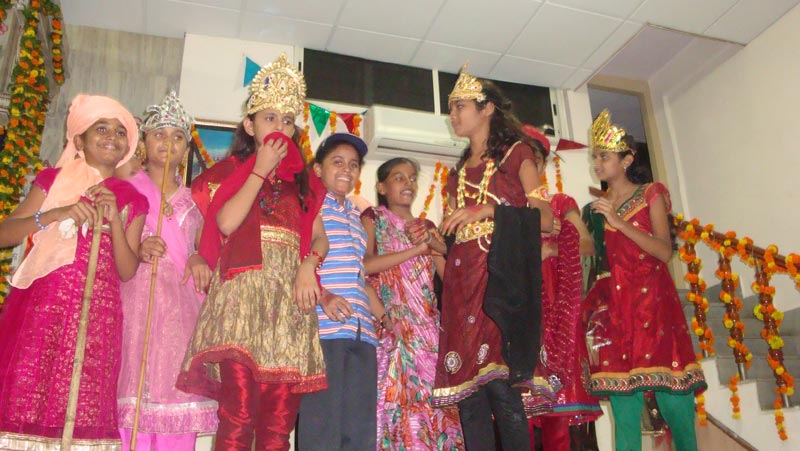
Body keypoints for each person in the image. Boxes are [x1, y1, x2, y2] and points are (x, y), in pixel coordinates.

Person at [177, 54, 329, 451]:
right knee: (239, 415)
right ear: (250, 125)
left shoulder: (304, 183)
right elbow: (226, 224)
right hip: (241, 300)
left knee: (279, 425)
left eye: (287, 121)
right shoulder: (229, 173)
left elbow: (319, 238)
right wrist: (259, 169)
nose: (279, 128)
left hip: (288, 303)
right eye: (269, 118)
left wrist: (309, 265)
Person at [0, 94, 148, 449]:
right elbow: (5, 234)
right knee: (29, 397)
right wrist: (53, 215)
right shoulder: (53, 181)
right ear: (79, 140)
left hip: (99, 318)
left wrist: (114, 220)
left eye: (120, 132)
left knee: (84, 405)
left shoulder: (131, 198)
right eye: (101, 128)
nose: (112, 137)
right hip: (42, 311)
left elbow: (127, 270)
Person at [432, 65, 554, 451]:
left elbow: (546, 219)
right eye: (451, 108)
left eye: (460, 106)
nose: (452, 115)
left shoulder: (518, 155)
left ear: (486, 109)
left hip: (499, 282)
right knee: (470, 399)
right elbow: (455, 242)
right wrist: (433, 240)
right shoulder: (455, 175)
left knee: (502, 390)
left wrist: (489, 210)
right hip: (461, 287)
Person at [586, 110, 706, 451]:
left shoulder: (650, 193)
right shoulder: (596, 208)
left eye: (604, 156)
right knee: (624, 407)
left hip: (653, 303)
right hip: (616, 310)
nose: (597, 163)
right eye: (595, 157)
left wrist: (619, 222)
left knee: (674, 402)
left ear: (626, 160)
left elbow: (664, 251)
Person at [116, 92, 218, 450]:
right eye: (159, 134)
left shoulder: (197, 199)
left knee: (176, 391)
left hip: (181, 308)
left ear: (186, 148)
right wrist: (138, 248)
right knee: (134, 387)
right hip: (136, 301)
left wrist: (197, 257)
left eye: (177, 137)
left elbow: (207, 249)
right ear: (143, 142)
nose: (167, 142)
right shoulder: (125, 188)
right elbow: (109, 245)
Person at [361, 157, 465, 450]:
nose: (408, 183)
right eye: (398, 177)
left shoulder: (426, 227)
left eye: (411, 178)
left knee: (437, 407)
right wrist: (416, 250)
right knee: (399, 404)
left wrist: (435, 244)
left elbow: (452, 279)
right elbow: (365, 266)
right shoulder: (374, 218)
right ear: (382, 187)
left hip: (429, 331)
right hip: (394, 327)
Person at [297, 133, 382, 451]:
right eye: (338, 162)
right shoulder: (308, 207)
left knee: (360, 431)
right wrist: (324, 296)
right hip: (325, 329)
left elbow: (361, 277)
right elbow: (295, 261)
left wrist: (384, 317)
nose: (347, 169)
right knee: (322, 427)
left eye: (354, 164)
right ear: (318, 169)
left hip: (363, 333)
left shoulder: (357, 218)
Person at [522, 127, 602, 451]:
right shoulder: (506, 209)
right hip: (521, 311)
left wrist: (551, 249)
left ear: (542, 165)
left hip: (558, 308)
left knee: (561, 411)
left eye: (533, 160)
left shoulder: (559, 203)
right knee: (521, 415)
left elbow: (586, 244)